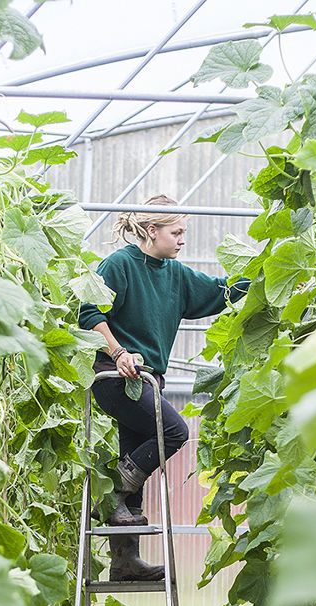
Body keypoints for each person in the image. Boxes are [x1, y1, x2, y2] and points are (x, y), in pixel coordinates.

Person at [78, 194, 249, 581]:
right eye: (177, 232)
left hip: (149, 380)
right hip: (115, 376)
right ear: (152, 231)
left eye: (183, 232)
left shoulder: (175, 274)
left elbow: (219, 291)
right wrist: (119, 351)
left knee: (132, 457)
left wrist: (266, 277)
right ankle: (112, 493)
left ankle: (124, 562)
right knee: (174, 432)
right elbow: (89, 312)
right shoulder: (120, 265)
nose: (182, 239)